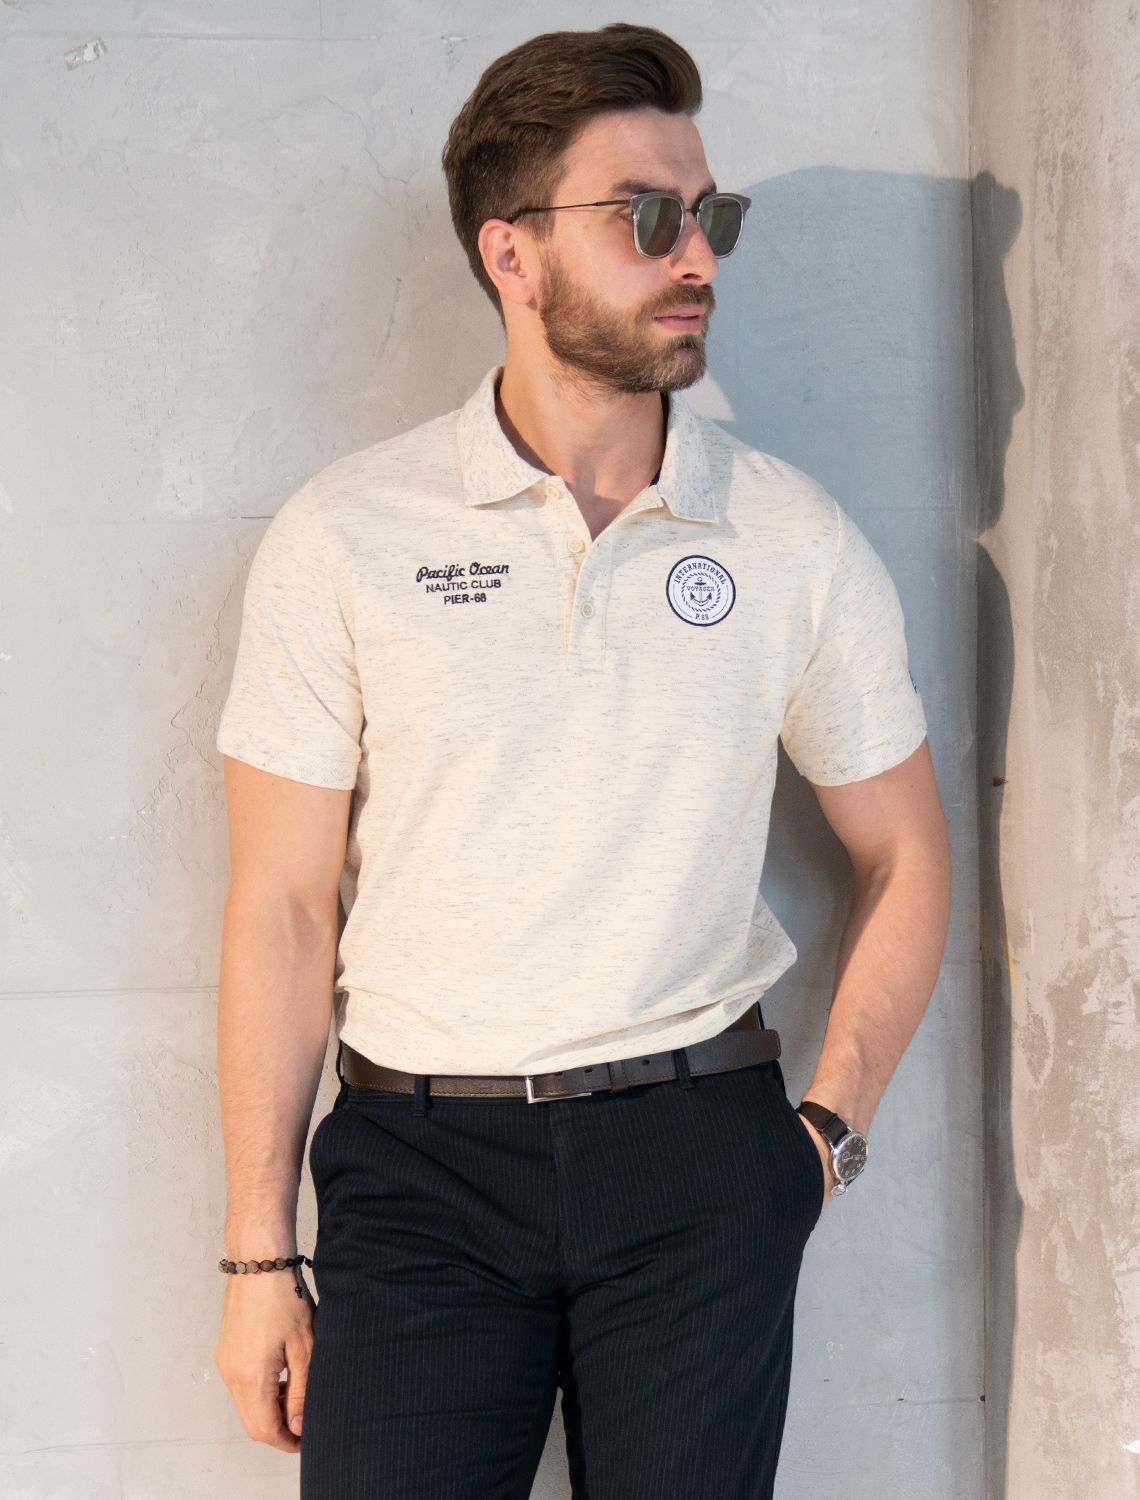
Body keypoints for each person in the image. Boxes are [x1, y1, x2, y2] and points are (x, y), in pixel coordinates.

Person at [212, 21, 952, 1499]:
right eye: (648, 218)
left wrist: (821, 1141)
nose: (700, 257)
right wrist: (256, 1255)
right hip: (418, 1173)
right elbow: (283, 909)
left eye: (710, 213)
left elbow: (908, 853)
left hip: (700, 1163)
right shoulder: (348, 535)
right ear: (513, 253)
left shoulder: (790, 539)